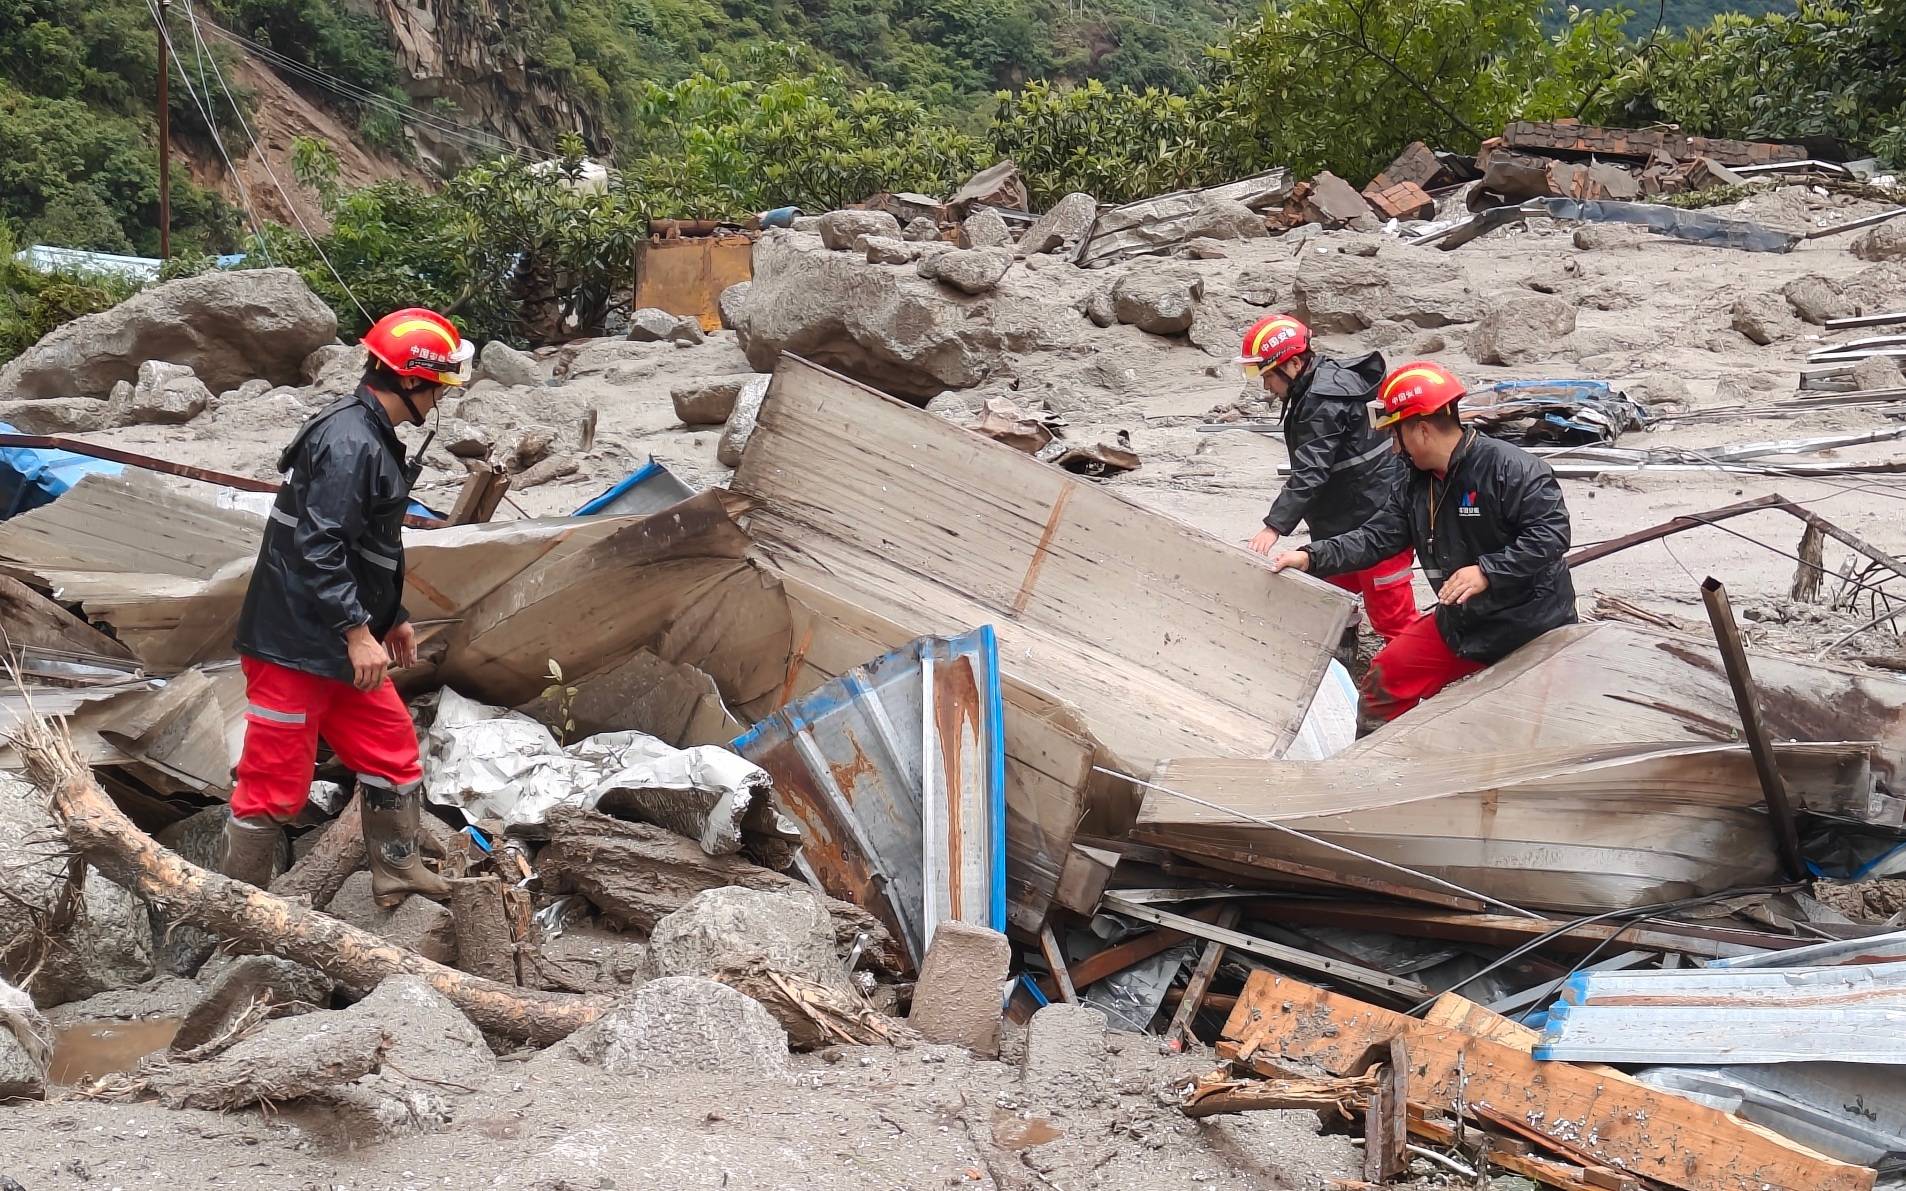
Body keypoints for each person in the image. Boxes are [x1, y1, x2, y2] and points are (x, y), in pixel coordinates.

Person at [220, 307, 474, 904]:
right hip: (295, 646)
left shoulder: (369, 435)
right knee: (273, 787)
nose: (438, 400)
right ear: (411, 380)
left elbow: (369, 547)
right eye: (436, 387)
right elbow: (318, 545)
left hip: (337, 640)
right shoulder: (349, 442)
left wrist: (394, 616)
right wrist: (357, 632)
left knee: (391, 749)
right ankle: (235, 908)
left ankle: (396, 868)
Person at [1271, 361, 1577, 723]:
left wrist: (1487, 571)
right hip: (1464, 622)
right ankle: (1373, 772)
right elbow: (1377, 536)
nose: (1394, 447)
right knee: (1384, 681)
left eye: (1395, 434)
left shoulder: (1512, 469)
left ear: (1422, 430)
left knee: (1524, 720)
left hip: (1531, 624)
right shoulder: (1414, 480)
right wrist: (1310, 557)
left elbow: (1551, 535)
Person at [1239, 314, 1416, 641]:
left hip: (1377, 523)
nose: (1265, 385)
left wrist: (1273, 526)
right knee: (1328, 595)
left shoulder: (1322, 398)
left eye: (1267, 375)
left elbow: (1311, 470)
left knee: (1393, 620)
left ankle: (1413, 677)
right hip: (1351, 515)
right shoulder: (1327, 380)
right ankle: (1342, 646)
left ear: (1292, 364)